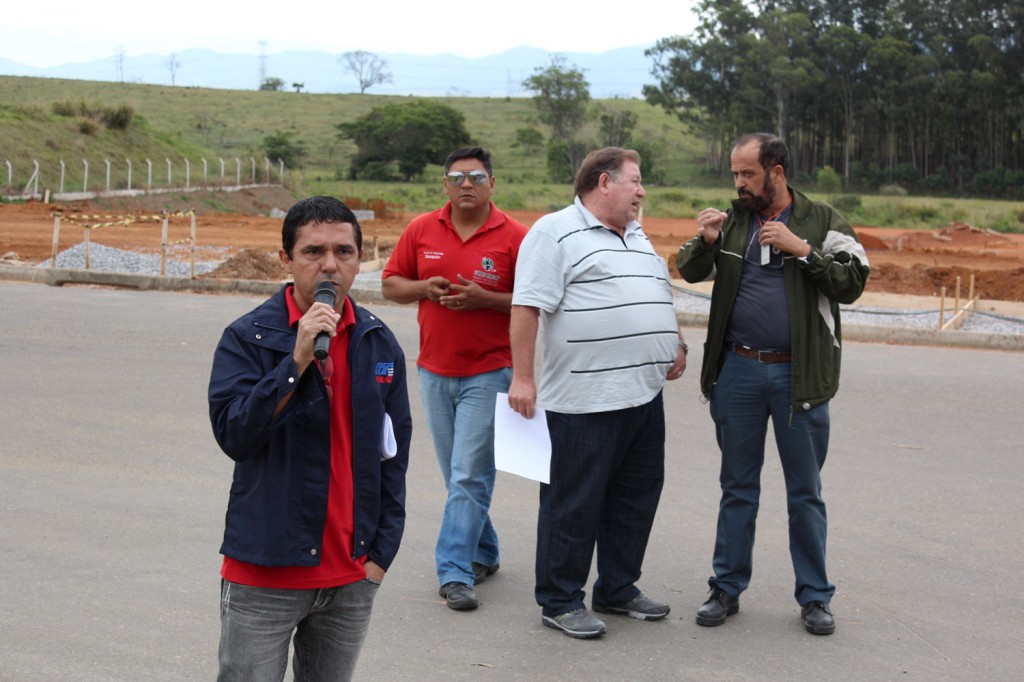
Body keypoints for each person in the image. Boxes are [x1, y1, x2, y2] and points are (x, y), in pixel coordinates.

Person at [208, 196, 412, 680]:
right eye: (313, 252)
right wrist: (295, 362)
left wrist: (380, 555)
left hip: (351, 576)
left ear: (360, 261)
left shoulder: (378, 341)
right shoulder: (247, 337)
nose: (329, 266)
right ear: (286, 260)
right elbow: (236, 434)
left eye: (344, 252)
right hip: (267, 572)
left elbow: (393, 457)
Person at [678, 132, 869, 636]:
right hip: (737, 371)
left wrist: (803, 251)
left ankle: (814, 597)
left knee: (805, 492)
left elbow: (854, 281)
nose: (739, 183)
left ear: (777, 173)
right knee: (737, 487)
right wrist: (707, 241)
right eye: (735, 174)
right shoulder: (733, 220)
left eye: (748, 174)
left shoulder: (822, 221)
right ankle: (726, 587)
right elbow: (689, 269)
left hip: (798, 375)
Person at [507, 147, 688, 639]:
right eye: (635, 180)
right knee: (573, 503)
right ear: (604, 184)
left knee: (635, 498)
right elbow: (526, 307)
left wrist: (674, 341)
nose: (642, 191)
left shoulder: (637, 235)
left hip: (643, 397)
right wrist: (523, 378)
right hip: (584, 402)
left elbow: (650, 294)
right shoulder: (554, 232)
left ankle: (618, 587)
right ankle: (560, 600)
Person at [382, 147, 528, 611]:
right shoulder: (422, 229)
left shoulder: (516, 237)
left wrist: (485, 299)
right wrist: (425, 288)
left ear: (492, 183)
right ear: (445, 184)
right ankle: (484, 550)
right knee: (458, 475)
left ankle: (454, 572)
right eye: (458, 176)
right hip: (432, 371)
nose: (467, 184)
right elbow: (390, 284)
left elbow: (536, 300)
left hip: (489, 372)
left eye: (477, 176)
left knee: (468, 475)